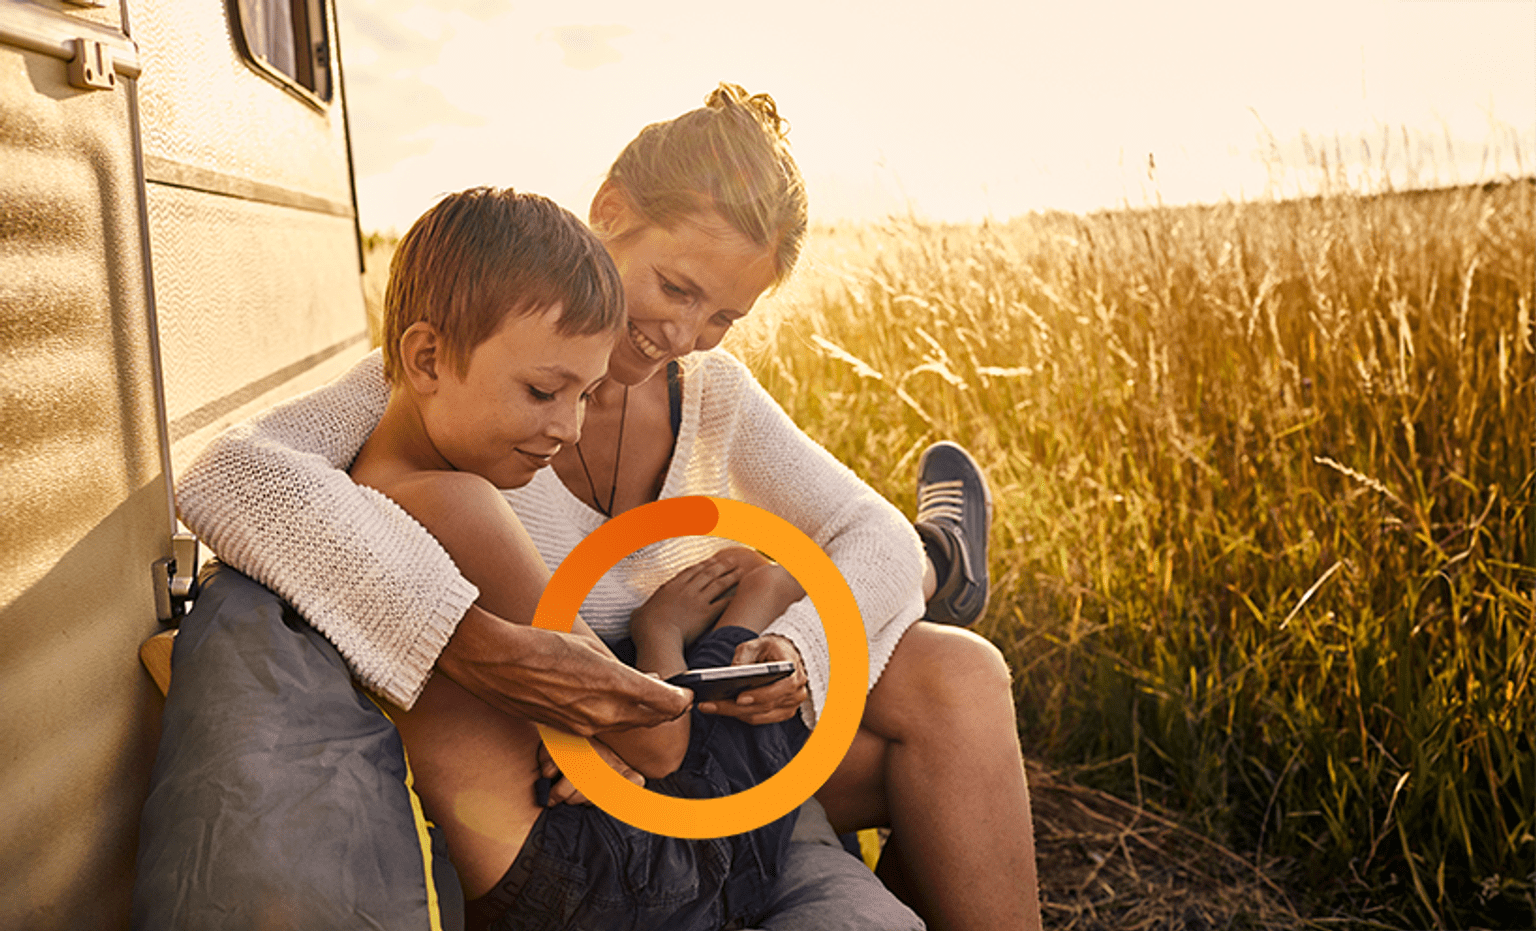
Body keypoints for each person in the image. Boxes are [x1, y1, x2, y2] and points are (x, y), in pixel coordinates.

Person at [177, 84, 1040, 931]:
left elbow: (867, 534)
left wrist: (800, 653)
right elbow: (229, 477)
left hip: (664, 716)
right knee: (796, 607)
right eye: (675, 287)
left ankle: (933, 563)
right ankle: (942, 563)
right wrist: (467, 642)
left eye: (723, 317)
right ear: (610, 209)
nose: (685, 335)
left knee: (959, 671)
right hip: (613, 763)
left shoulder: (710, 392)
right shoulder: (459, 369)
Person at [339, 185, 919, 931]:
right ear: (425, 357)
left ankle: (869, 569)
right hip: (622, 878)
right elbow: (661, 741)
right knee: (760, 644)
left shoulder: (365, 480)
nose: (569, 429)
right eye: (546, 391)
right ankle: (818, 579)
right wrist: (661, 629)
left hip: (567, 869)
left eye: (583, 397)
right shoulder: (460, 504)